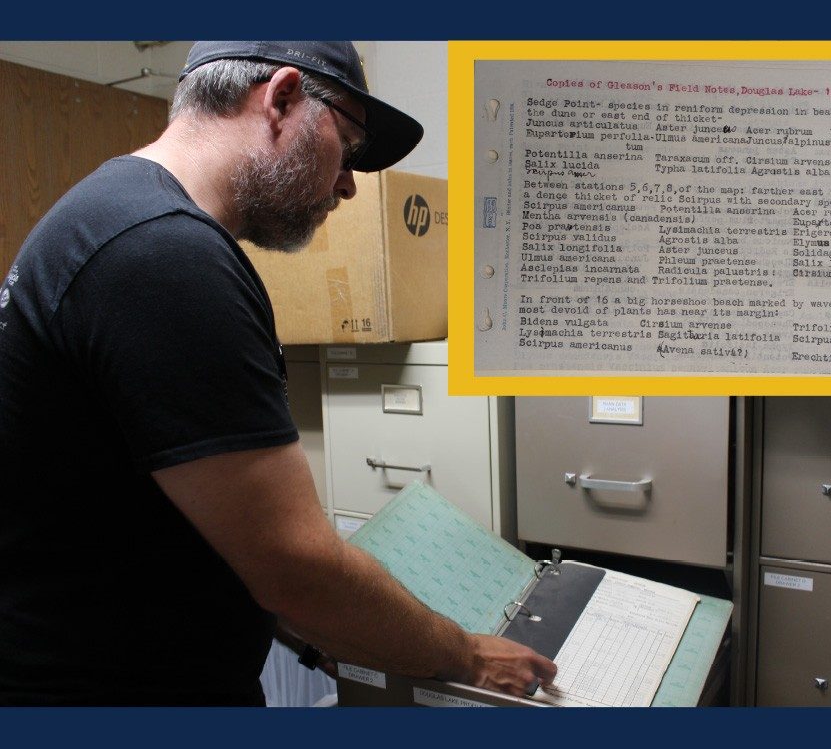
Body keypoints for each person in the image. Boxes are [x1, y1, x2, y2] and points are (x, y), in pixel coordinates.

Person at [0, 41, 556, 706]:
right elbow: (296, 570)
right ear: (283, 97)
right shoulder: (161, 254)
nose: (349, 185)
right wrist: (466, 655)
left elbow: (219, 531)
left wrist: (335, 633)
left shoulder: (119, 215)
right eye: (347, 149)